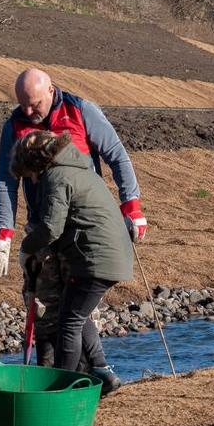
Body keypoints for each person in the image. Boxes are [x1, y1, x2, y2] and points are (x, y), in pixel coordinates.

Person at [0, 69, 145, 371]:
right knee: (46, 308)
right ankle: (50, 373)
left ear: (50, 91)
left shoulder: (81, 110)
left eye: (34, 104)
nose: (28, 111)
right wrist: (3, 236)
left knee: (77, 310)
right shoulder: (14, 124)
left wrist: (133, 207)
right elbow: (4, 181)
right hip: (44, 227)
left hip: (82, 230)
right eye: (22, 104)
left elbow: (116, 155)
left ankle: (87, 375)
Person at [14, 131, 132, 395]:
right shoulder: (79, 169)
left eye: (29, 175)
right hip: (107, 254)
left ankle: (62, 389)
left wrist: (26, 249)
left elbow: (51, 227)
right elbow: (70, 221)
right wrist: (45, 252)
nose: (31, 180)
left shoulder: (56, 177)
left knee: (68, 321)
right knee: (76, 311)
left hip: (96, 258)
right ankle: (101, 370)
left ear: (35, 163)